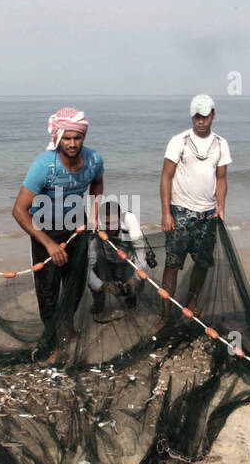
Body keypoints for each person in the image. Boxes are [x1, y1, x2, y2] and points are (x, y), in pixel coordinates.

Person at [12, 108, 103, 362]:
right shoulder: (44, 165)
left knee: (74, 286)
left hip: (77, 228)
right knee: (49, 291)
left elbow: (97, 183)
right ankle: (54, 343)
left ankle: (68, 325)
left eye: (77, 138)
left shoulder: (94, 159)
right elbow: (19, 211)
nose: (72, 144)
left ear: (83, 137)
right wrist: (50, 245)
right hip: (45, 230)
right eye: (67, 138)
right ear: (58, 137)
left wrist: (94, 215)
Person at [160, 94, 230, 318]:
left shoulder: (221, 144)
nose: (201, 121)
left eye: (205, 116)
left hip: (208, 215)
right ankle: (166, 313)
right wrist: (166, 213)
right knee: (172, 264)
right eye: (197, 116)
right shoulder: (178, 141)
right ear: (192, 116)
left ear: (213, 115)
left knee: (202, 263)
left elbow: (221, 178)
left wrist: (221, 206)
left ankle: (191, 303)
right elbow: (166, 177)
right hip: (180, 212)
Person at [87, 197, 154, 323]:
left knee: (134, 287)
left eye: (113, 222)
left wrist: (135, 279)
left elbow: (140, 253)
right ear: (100, 221)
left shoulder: (129, 222)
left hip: (126, 261)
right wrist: (101, 285)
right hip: (105, 261)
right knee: (97, 286)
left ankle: (130, 299)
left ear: (120, 218)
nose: (110, 227)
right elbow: (88, 268)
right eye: (106, 223)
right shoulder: (95, 231)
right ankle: (99, 305)